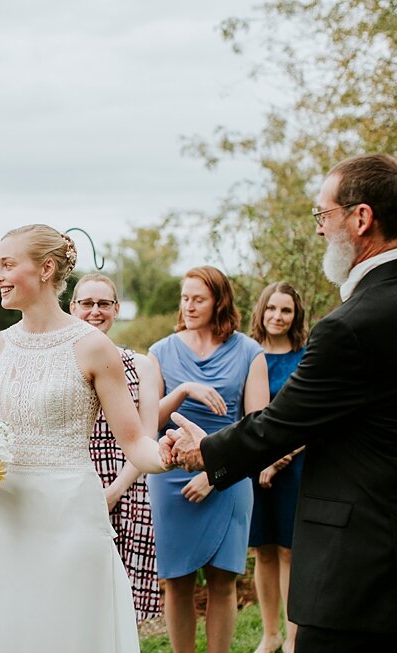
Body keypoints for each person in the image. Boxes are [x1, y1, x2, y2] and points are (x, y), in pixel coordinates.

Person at [164, 154, 397, 653]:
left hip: (355, 562)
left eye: (324, 215)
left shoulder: (351, 325)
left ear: (360, 219)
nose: (319, 230)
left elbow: (281, 423)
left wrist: (205, 452)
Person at [0, 224, 170, 653]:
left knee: (67, 632)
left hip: (70, 514)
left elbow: (135, 443)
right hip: (9, 517)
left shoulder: (92, 347)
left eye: (7, 264)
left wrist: (173, 455)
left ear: (46, 268)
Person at [146, 265, 269, 653]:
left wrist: (216, 475)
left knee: (222, 580)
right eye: (185, 298)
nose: (189, 305)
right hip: (171, 479)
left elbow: (258, 430)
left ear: (219, 301)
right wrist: (183, 389)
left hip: (229, 479)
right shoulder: (160, 352)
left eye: (199, 298)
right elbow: (148, 422)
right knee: (177, 582)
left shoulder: (250, 352)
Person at [69, 273, 162, 623]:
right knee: (76, 598)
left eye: (103, 303)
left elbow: (146, 436)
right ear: (73, 307)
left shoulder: (141, 365)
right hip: (73, 485)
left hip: (127, 486)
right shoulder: (62, 360)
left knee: (120, 605)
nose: (95, 311)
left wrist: (115, 492)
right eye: (87, 303)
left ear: (116, 309)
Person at [246, 282, 308, 653]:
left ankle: (293, 637)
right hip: (254, 466)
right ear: (261, 311)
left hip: (296, 466)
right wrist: (262, 459)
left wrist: (281, 457)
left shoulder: (305, 357)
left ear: (295, 315)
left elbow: (311, 417)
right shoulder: (249, 355)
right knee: (263, 551)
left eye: (285, 310)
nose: (277, 317)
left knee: (289, 551)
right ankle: (269, 635)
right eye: (271, 308)